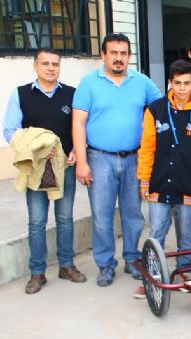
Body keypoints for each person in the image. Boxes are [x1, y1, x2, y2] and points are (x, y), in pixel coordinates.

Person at [72, 33, 163, 287]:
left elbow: (164, 108)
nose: (119, 58)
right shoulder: (89, 83)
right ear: (103, 55)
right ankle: (105, 264)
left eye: (123, 54)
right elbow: (78, 123)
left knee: (133, 213)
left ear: (129, 56)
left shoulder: (142, 82)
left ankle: (133, 259)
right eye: (114, 53)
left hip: (134, 157)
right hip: (100, 158)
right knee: (101, 215)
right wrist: (81, 161)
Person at [133, 60, 191, 298]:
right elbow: (147, 148)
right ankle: (152, 276)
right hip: (159, 183)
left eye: (187, 83)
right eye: (178, 83)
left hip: (189, 184)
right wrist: (144, 179)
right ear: (170, 83)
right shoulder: (155, 109)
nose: (183, 88)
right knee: (156, 232)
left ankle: (184, 272)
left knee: (186, 235)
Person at [2, 48, 87, 294]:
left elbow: (80, 126)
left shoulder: (72, 94)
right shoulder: (20, 94)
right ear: (35, 66)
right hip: (36, 169)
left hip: (65, 168)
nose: (51, 68)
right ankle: (37, 272)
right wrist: (36, 150)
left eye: (55, 64)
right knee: (37, 221)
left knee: (65, 218)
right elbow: (10, 131)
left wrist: (75, 152)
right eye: (46, 63)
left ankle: (66, 265)